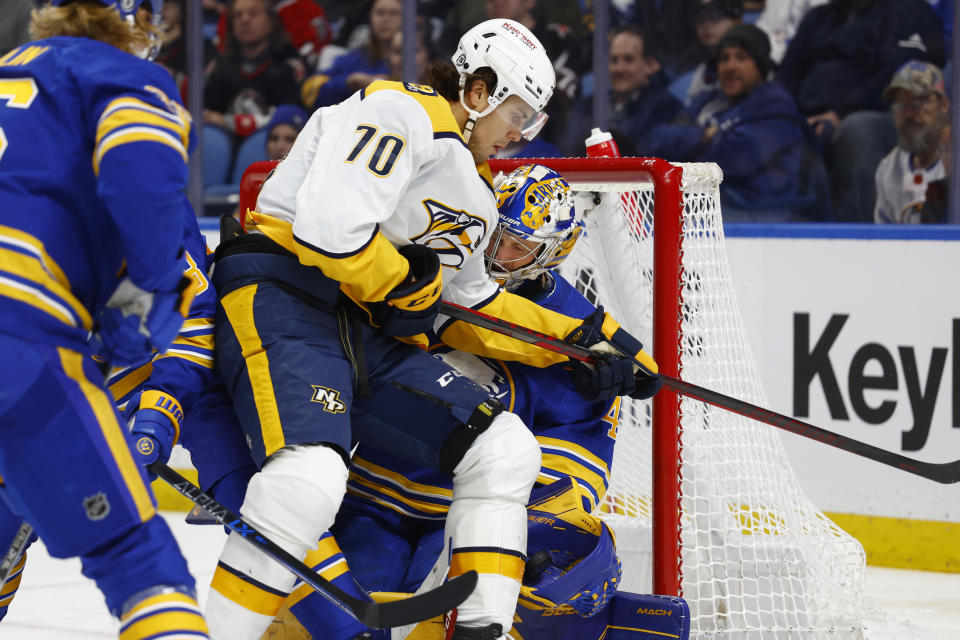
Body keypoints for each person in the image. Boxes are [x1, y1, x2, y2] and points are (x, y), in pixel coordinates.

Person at [204, 18, 661, 640]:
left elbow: (469, 308)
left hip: (363, 329)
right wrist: (405, 282)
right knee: (309, 478)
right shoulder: (400, 112)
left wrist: (580, 343)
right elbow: (326, 230)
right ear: (478, 92)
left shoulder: (475, 197)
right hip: (286, 293)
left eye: (533, 122)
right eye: (517, 114)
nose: (519, 135)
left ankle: (482, 631)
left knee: (505, 451)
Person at [265, 165, 688, 640]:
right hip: (371, 498)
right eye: (491, 236)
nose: (494, 255)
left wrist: (536, 521)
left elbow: (583, 452)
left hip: (461, 515)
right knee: (332, 622)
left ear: (549, 255)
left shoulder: (578, 338)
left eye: (516, 246)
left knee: (441, 623)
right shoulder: (425, 273)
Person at [0, 0, 209, 637]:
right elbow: (142, 190)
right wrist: (141, 307)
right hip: (19, 335)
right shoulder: (122, 77)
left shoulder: (7, 69)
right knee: (138, 558)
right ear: (140, 18)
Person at [776, 0, 946, 222]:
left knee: (857, 131)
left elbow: (897, 75)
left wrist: (839, 113)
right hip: (808, 117)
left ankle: (863, 235)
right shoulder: (819, 18)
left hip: (882, 112)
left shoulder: (908, 10)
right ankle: (778, 238)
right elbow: (786, 76)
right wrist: (786, 117)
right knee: (769, 130)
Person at [640, 24, 817, 221]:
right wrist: (705, 136)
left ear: (760, 66)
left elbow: (733, 161)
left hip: (759, 213)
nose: (730, 67)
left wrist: (684, 147)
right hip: (709, 205)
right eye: (724, 59)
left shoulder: (775, 103)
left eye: (741, 58)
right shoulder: (707, 101)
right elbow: (655, 142)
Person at [560, 26, 681, 156]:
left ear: (650, 65)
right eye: (614, 60)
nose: (619, 68)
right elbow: (566, 151)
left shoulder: (664, 107)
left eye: (628, 59)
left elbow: (646, 153)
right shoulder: (585, 107)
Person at [203, 0, 306, 139]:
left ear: (271, 23)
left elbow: (293, 118)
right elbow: (208, 115)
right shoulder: (220, 66)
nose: (245, 20)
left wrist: (230, 122)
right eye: (238, 15)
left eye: (253, 13)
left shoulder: (290, 66)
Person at [874, 61, 950, 224]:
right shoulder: (888, 170)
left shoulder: (954, 167)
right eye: (901, 105)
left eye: (919, 103)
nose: (908, 114)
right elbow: (884, 243)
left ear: (943, 105)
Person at [302, 0, 400, 110]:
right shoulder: (358, 56)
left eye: (394, 13)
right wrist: (348, 82)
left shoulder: (418, 57)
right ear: (370, 18)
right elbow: (311, 89)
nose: (386, 19)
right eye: (380, 13)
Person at [684, 0, 743, 104]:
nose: (707, 25)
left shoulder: (751, 63)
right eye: (701, 20)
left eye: (716, 18)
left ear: (737, 20)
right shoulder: (703, 70)